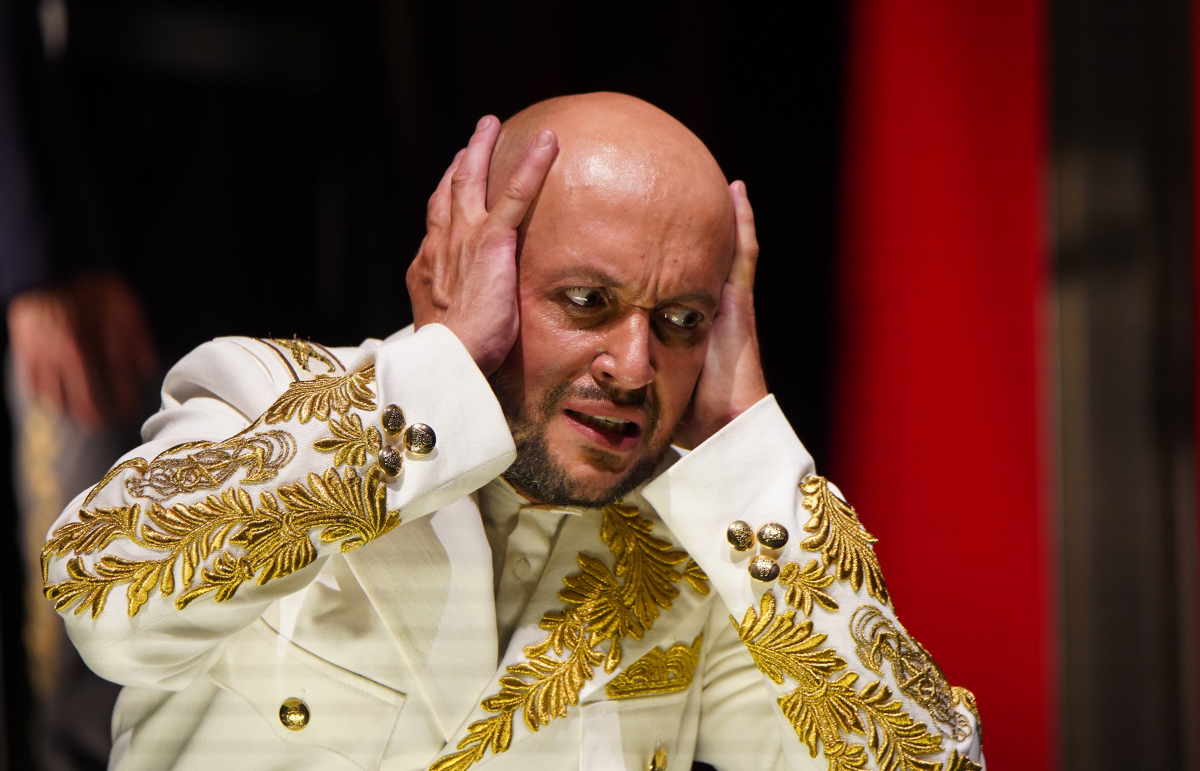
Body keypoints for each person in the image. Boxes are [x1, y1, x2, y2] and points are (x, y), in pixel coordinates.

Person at [42, 93, 985, 771]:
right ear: (469, 263)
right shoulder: (272, 397)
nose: (634, 365)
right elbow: (101, 593)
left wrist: (747, 449)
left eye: (682, 320)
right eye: (587, 300)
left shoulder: (705, 551)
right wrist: (442, 370)